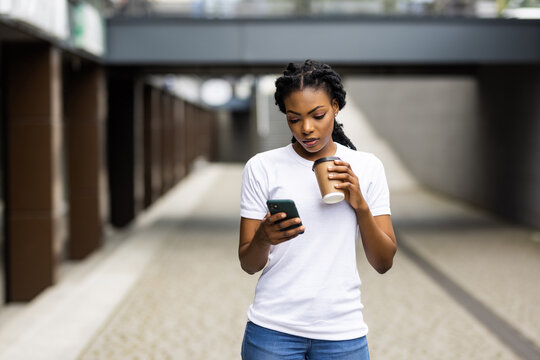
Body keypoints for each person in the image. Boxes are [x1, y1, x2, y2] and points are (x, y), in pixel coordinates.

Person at [239, 60, 397, 360]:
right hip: (272, 332)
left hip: (342, 334)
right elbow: (248, 263)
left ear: (335, 107)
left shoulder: (367, 167)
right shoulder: (262, 167)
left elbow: (383, 262)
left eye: (318, 115)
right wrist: (263, 237)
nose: (306, 128)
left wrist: (360, 205)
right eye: (293, 118)